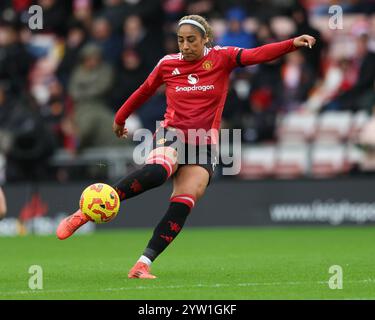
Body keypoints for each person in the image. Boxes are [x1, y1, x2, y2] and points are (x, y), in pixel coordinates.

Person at [56, 15, 316, 278]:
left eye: (191, 40)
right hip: (173, 133)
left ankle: (143, 264)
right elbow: (144, 90)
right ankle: (86, 212)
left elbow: (257, 54)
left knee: (183, 202)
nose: (185, 46)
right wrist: (120, 118)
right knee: (158, 172)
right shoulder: (168, 64)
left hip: (204, 144)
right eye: (181, 40)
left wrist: (292, 43)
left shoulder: (222, 57)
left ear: (206, 39)